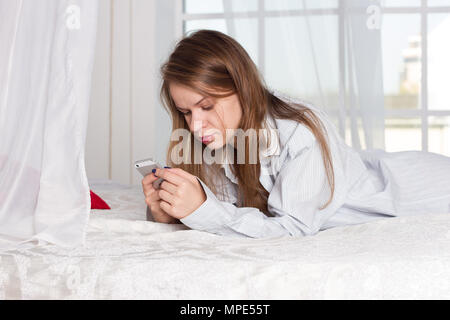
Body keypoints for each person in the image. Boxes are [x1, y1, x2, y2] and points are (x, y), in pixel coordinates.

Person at [142, 29, 450, 239]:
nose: (195, 126)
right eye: (186, 112)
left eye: (206, 106)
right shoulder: (216, 140)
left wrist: (202, 210)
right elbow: (229, 208)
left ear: (242, 88)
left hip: (417, 189)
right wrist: (171, 211)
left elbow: (291, 230)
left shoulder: (299, 132)